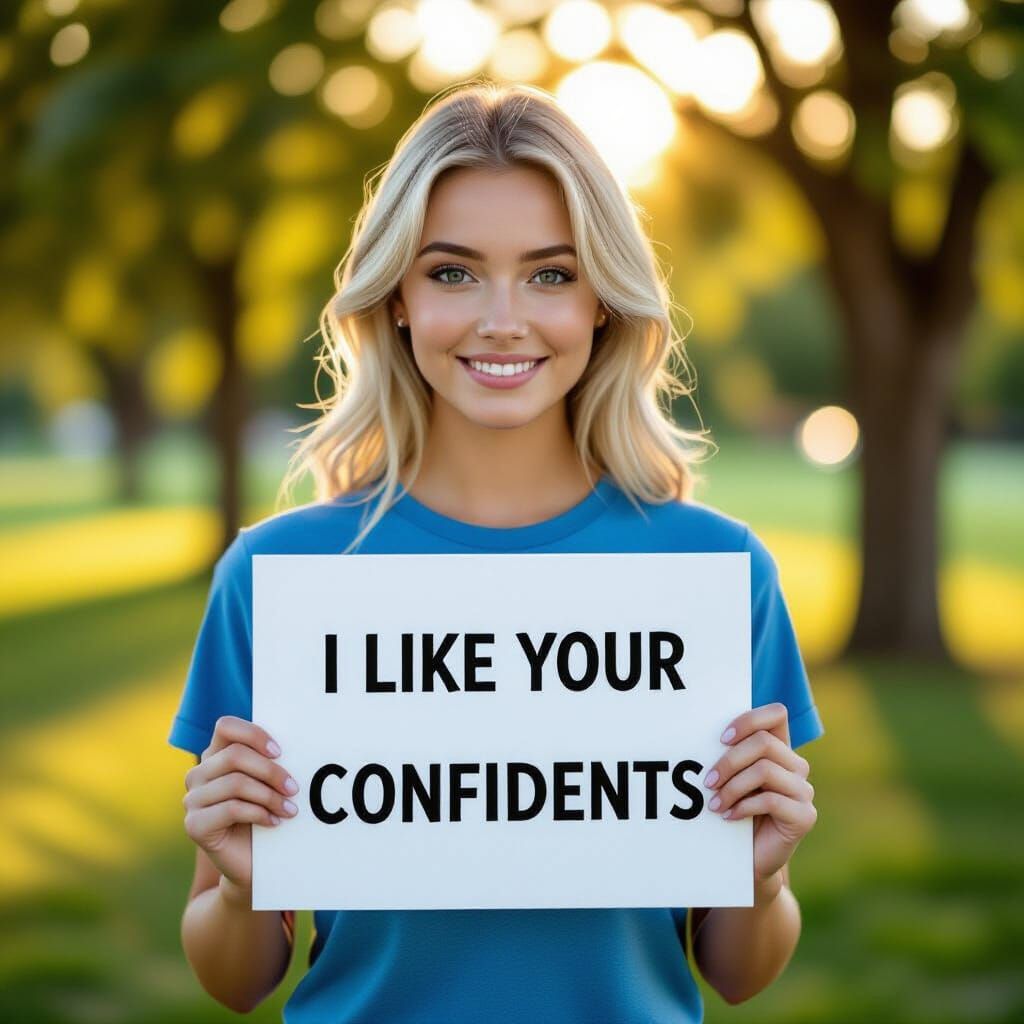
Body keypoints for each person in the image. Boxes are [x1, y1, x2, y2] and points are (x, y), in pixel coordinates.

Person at [168, 80, 825, 1022]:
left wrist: (761, 878)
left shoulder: (712, 575)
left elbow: (737, 972)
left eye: (552, 274)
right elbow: (237, 982)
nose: (503, 318)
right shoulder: (280, 582)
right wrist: (239, 886)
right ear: (395, 296)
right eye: (453, 272)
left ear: (603, 300)